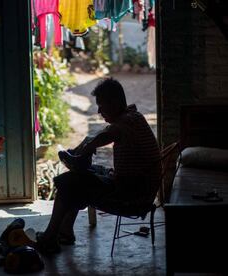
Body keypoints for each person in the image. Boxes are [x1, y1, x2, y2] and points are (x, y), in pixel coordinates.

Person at [34, 77, 161, 254]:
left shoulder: (128, 121)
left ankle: (51, 237)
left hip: (131, 194)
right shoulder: (133, 117)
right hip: (135, 185)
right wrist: (87, 146)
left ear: (115, 103)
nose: (99, 111)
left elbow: (108, 134)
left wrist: (88, 147)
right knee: (84, 175)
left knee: (69, 181)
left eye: (102, 105)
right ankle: (64, 232)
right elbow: (107, 132)